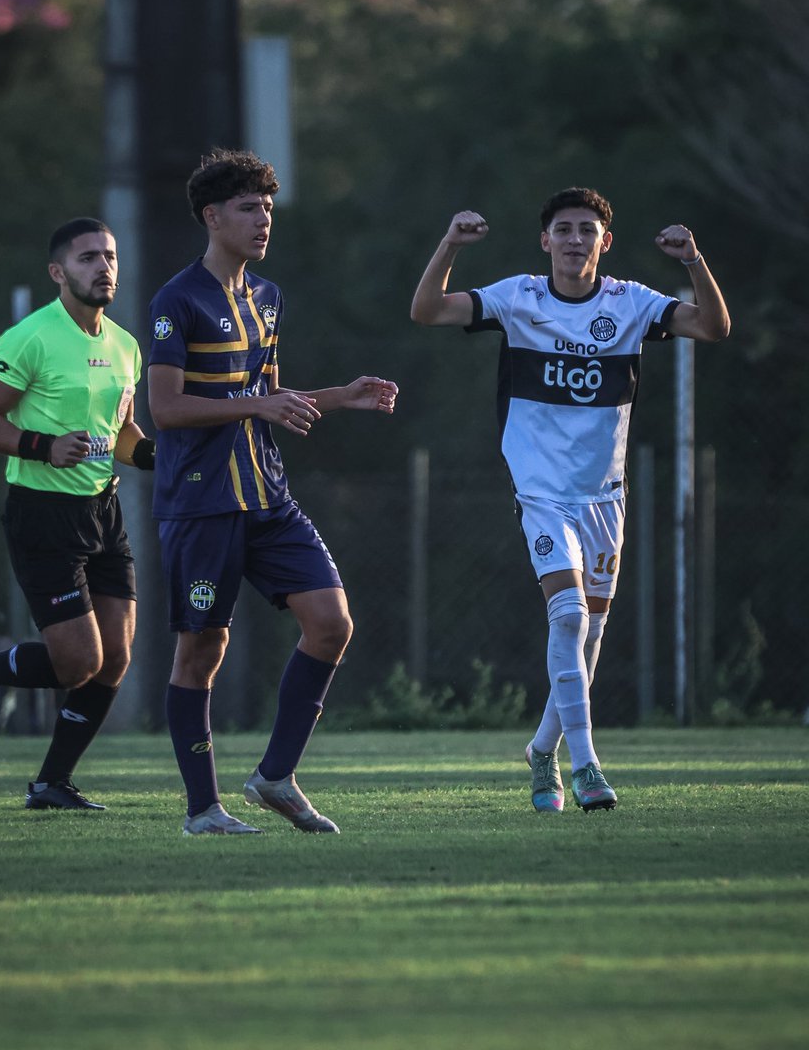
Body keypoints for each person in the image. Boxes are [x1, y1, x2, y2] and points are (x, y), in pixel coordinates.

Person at [410, 187, 730, 813]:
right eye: (564, 228)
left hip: (604, 495)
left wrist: (694, 261)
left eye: (588, 229)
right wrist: (450, 243)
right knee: (568, 617)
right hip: (541, 492)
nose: (575, 239)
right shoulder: (518, 297)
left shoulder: (631, 303)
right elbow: (425, 311)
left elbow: (714, 328)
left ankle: (540, 751)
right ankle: (586, 767)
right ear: (545, 240)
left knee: (590, 635)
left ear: (604, 242)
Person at [148, 148, 398, 835]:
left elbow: (269, 397)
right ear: (213, 216)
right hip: (202, 502)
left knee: (332, 623)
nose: (263, 221)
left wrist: (338, 397)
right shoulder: (177, 301)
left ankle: (276, 777)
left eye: (267, 209)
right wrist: (256, 406)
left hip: (267, 495)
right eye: (249, 209)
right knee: (202, 652)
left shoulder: (268, 297)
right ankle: (204, 810)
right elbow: (165, 410)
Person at [0, 217, 155, 810]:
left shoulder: (125, 344)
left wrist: (158, 456)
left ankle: (51, 783)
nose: (103, 267)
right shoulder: (30, 337)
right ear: (58, 272)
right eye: (87, 258)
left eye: (110, 256)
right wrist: (42, 446)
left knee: (115, 658)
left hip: (103, 511)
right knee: (78, 662)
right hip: (43, 515)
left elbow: (122, 431)